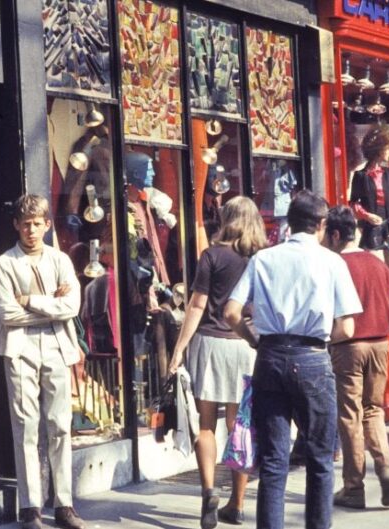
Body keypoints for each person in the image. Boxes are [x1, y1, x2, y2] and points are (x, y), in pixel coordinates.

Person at [224, 190, 360, 529]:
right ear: (322, 225)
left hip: (269, 357)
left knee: (273, 462)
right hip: (312, 357)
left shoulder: (264, 259)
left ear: (289, 222)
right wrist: (320, 340)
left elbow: (231, 312)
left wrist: (254, 338)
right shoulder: (332, 262)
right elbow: (347, 326)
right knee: (319, 459)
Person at [167, 196, 266, 529]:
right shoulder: (261, 258)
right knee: (240, 428)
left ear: (225, 219)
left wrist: (179, 348)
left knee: (206, 424)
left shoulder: (211, 255)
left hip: (209, 344)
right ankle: (236, 505)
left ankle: (209, 490)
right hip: (245, 344)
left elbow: (196, 306)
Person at [0, 194, 86, 529]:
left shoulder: (60, 260)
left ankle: (64, 504)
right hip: (20, 349)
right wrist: (50, 305)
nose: (31, 230)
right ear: (16, 224)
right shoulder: (5, 264)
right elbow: (7, 314)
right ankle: (30, 507)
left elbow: (72, 306)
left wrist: (31, 300)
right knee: (26, 426)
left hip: (57, 345)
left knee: (60, 424)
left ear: (47, 225)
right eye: (25, 223)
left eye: (37, 223)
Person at [322, 206, 389, 509]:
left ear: (335, 234)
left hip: (348, 346)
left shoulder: (333, 265)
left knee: (350, 415)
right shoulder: (379, 265)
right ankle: (385, 467)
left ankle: (354, 487)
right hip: (381, 343)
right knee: (374, 410)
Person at [348, 127, 389, 286]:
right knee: (372, 267)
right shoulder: (360, 176)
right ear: (378, 151)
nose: (388, 152)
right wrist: (366, 215)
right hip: (371, 225)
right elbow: (353, 202)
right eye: (386, 149)